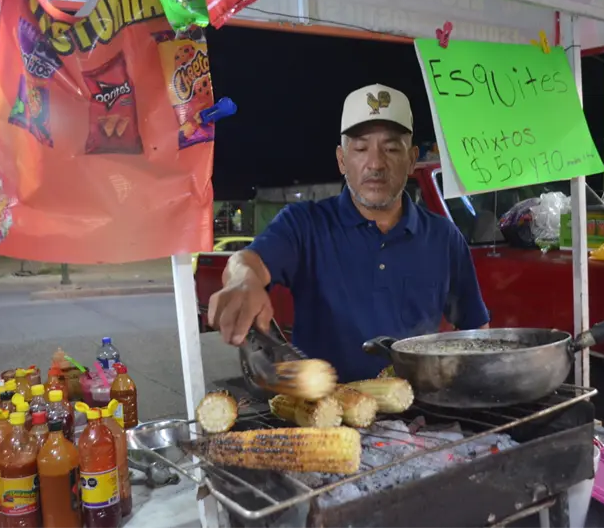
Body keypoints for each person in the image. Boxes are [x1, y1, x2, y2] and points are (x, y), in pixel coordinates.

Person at [207, 83, 489, 382]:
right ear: (342, 159)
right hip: (321, 414)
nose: (376, 163)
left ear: (411, 160)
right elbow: (248, 262)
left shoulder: (444, 237)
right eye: (361, 148)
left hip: (419, 416)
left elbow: (476, 331)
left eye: (392, 148)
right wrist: (243, 281)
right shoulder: (304, 225)